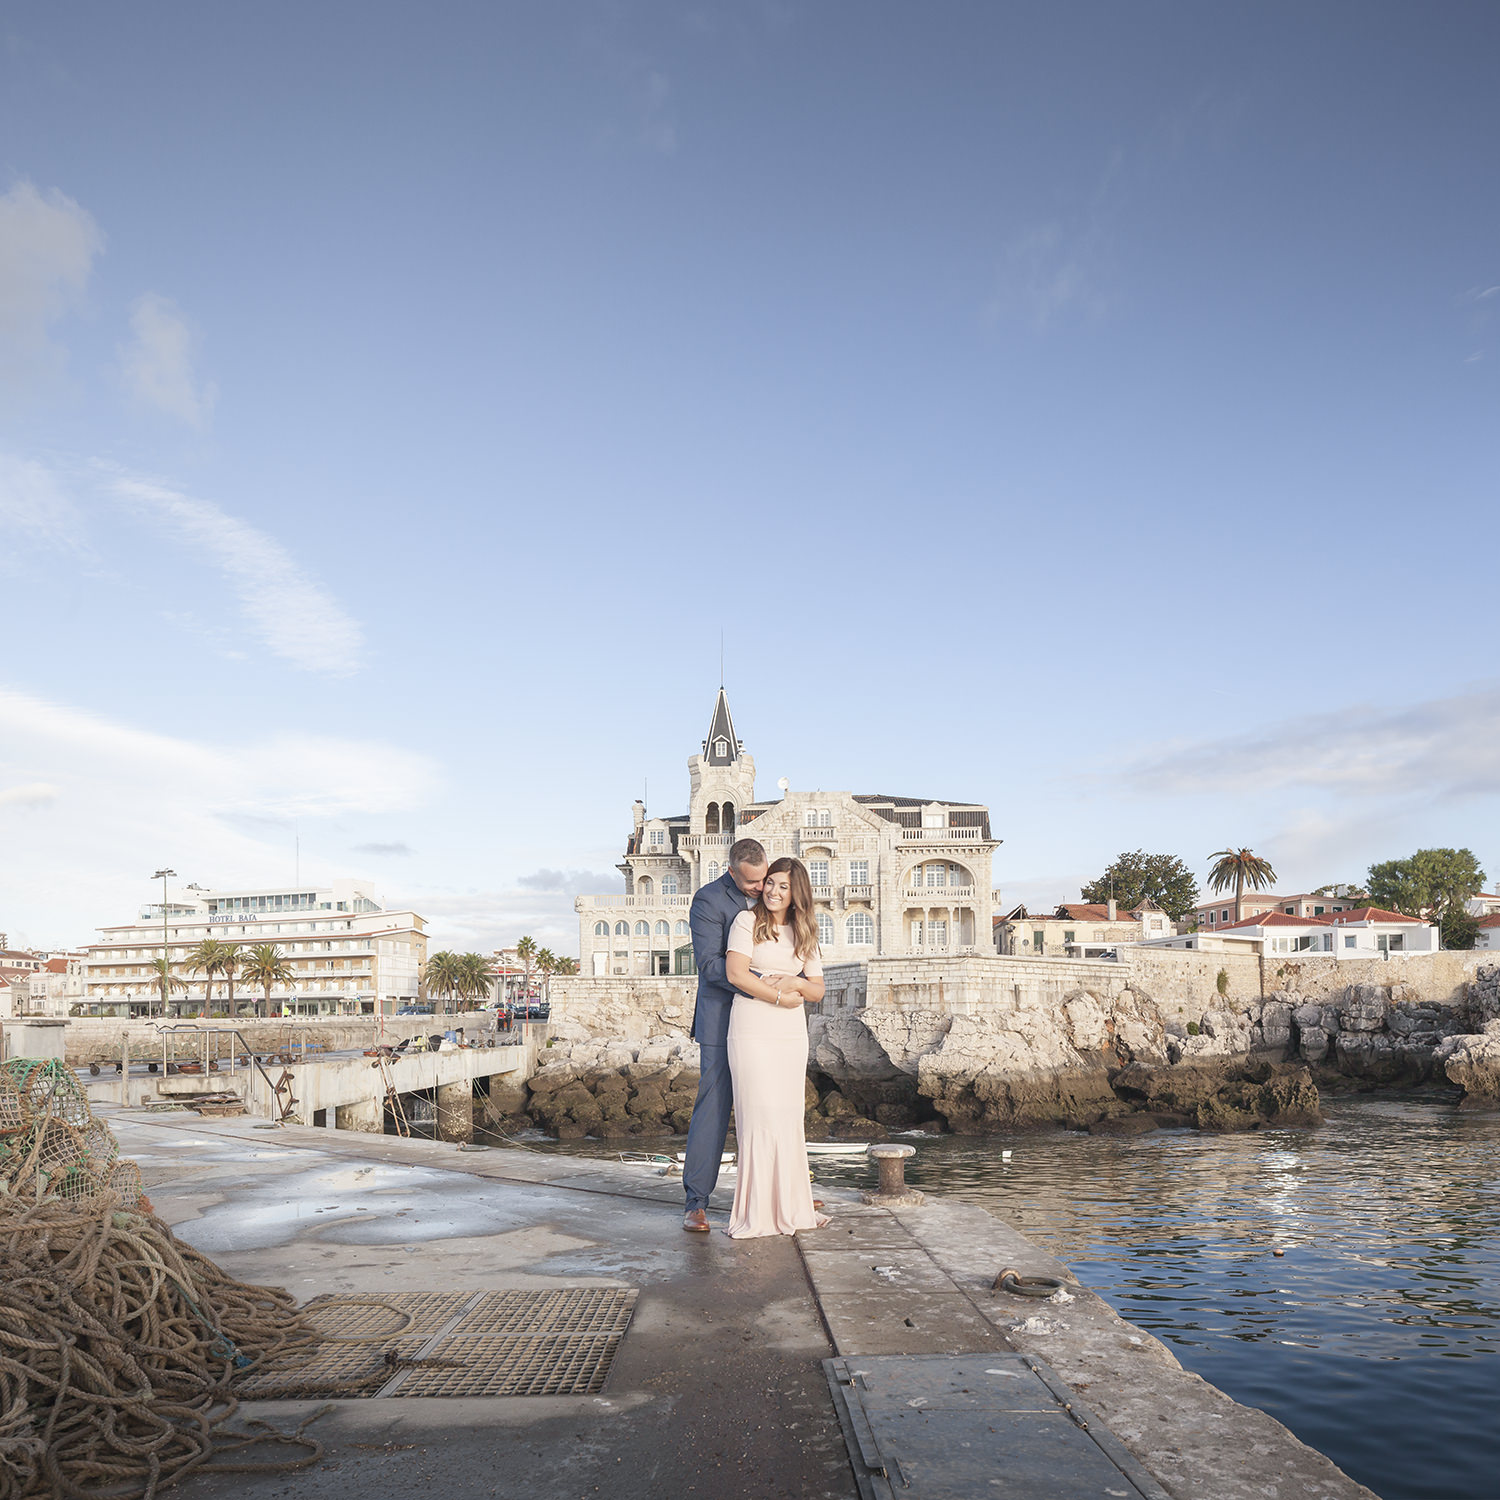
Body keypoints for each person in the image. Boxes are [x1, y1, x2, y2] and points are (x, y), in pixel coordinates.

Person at [723, 856, 828, 1238]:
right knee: (757, 1117)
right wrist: (779, 997)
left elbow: (817, 989)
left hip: (789, 1034)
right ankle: (757, 1213)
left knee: (786, 1117)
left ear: (795, 892)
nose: (772, 891)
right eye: (770, 883)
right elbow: (736, 974)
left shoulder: (805, 931)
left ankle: (791, 1207)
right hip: (752, 1024)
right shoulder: (746, 921)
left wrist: (796, 984)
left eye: (783, 886)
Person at [682, 837, 768, 1232]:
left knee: (771, 1105)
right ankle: (696, 1202)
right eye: (751, 883)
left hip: (767, 1018)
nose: (758, 889)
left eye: (762, 880)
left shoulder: (774, 892)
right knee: (714, 1109)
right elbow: (710, 966)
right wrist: (761, 983)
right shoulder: (707, 900)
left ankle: (782, 1192)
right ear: (732, 871)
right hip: (722, 1017)